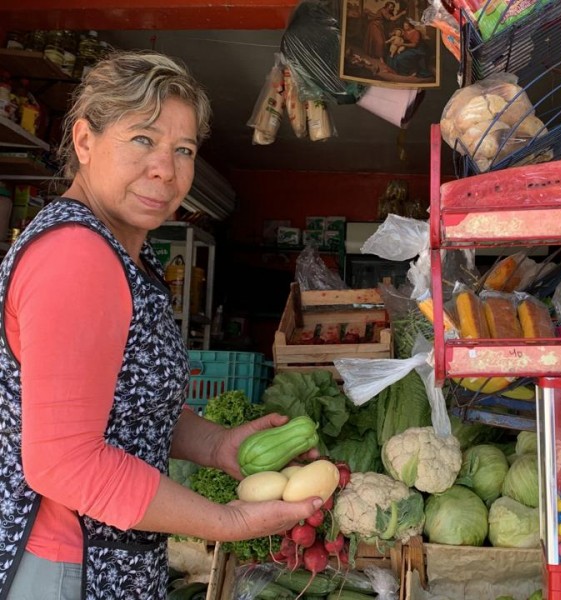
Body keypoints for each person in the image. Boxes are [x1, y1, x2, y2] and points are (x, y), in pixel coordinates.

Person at [0, 50, 321, 600]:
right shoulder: (77, 256)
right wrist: (228, 523)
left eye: (184, 150)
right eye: (142, 140)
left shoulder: (116, 253)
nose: (165, 170)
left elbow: (124, 409)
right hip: (65, 569)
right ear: (84, 140)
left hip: (108, 561)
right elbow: (64, 463)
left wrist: (219, 445)